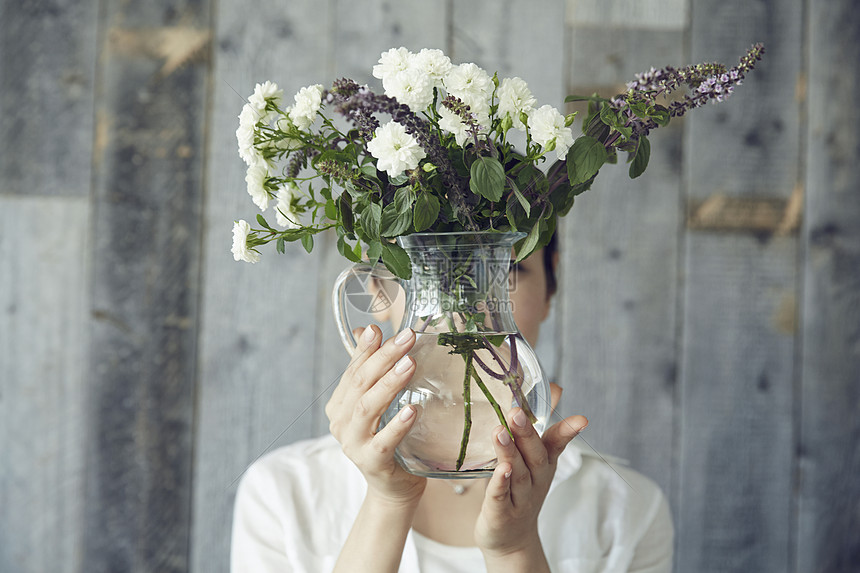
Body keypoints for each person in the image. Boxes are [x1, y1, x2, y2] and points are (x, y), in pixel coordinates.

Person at [231, 236, 674, 572]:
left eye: (503, 272)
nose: (465, 309)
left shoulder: (627, 510)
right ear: (378, 291)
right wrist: (388, 502)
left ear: (552, 286)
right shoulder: (281, 493)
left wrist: (515, 549)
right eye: (427, 272)